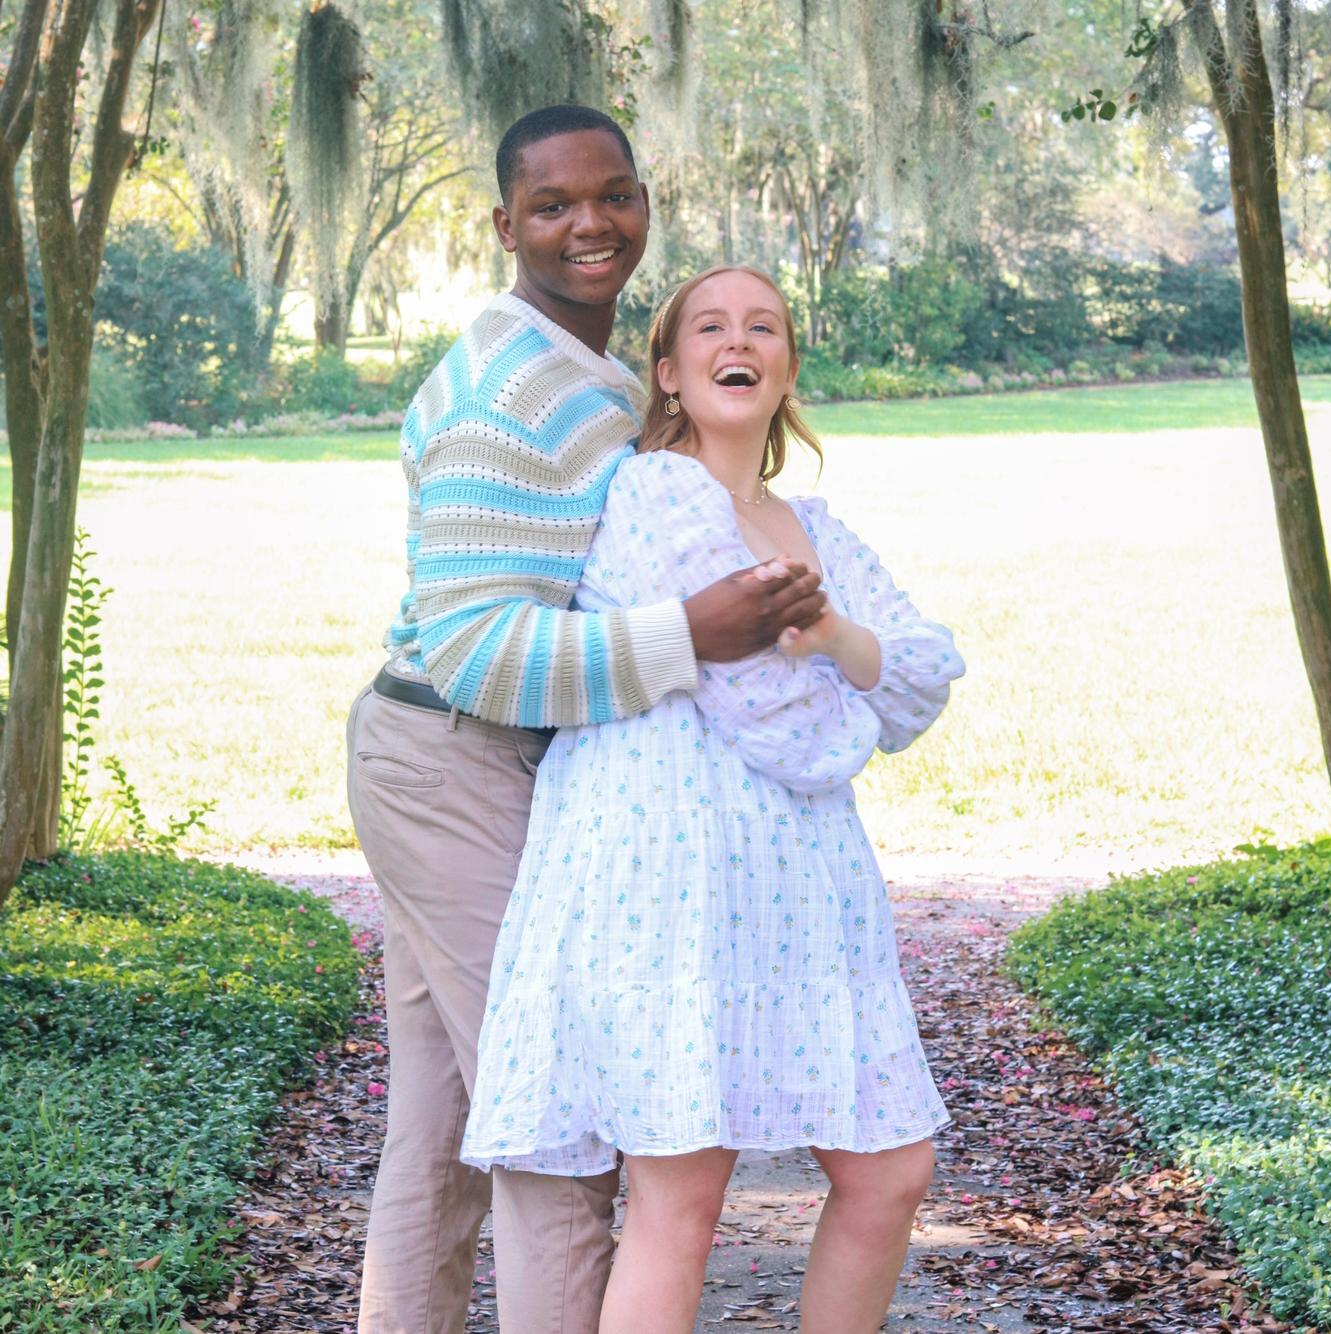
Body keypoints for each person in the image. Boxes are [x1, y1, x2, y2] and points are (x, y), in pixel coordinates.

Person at [346, 112, 828, 1334]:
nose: (589, 224)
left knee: (444, 1128)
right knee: (558, 1132)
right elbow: (472, 649)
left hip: (483, 757)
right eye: (553, 205)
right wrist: (689, 634)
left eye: (613, 195)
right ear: (504, 226)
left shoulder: (593, 374)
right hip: (454, 758)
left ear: (644, 204)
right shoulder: (504, 393)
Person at [461, 265, 965, 1333]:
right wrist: (850, 693)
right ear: (668, 371)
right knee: (681, 1197)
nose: (738, 341)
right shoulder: (654, 493)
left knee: (890, 1168)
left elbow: (924, 672)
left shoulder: (814, 526)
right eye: (710, 327)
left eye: (763, 326)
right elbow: (770, 707)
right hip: (672, 882)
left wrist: (832, 637)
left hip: (806, 891)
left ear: (786, 368)